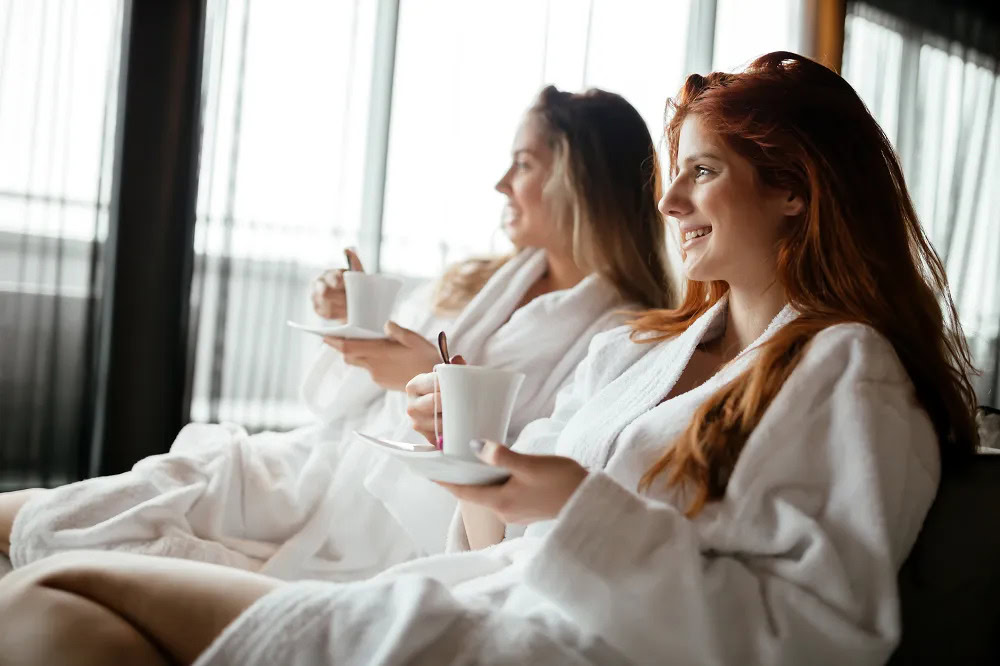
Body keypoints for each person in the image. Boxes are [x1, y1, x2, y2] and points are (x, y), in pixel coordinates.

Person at [0, 52, 979, 665]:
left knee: (54, 596)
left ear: (797, 189)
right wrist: (478, 462)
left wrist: (564, 500)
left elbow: (809, 639)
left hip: (537, 643)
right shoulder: (649, 351)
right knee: (50, 604)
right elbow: (483, 543)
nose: (670, 201)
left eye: (703, 171)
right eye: (672, 173)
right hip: (468, 598)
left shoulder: (848, 373)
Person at [0, 85, 674, 583]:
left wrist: (427, 389)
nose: (502, 183)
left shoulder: (618, 337)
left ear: (581, 179)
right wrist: (350, 330)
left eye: (524, 164)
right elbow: (342, 403)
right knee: (162, 486)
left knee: (130, 541)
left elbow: (525, 479)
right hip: (323, 465)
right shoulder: (479, 281)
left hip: (394, 522)